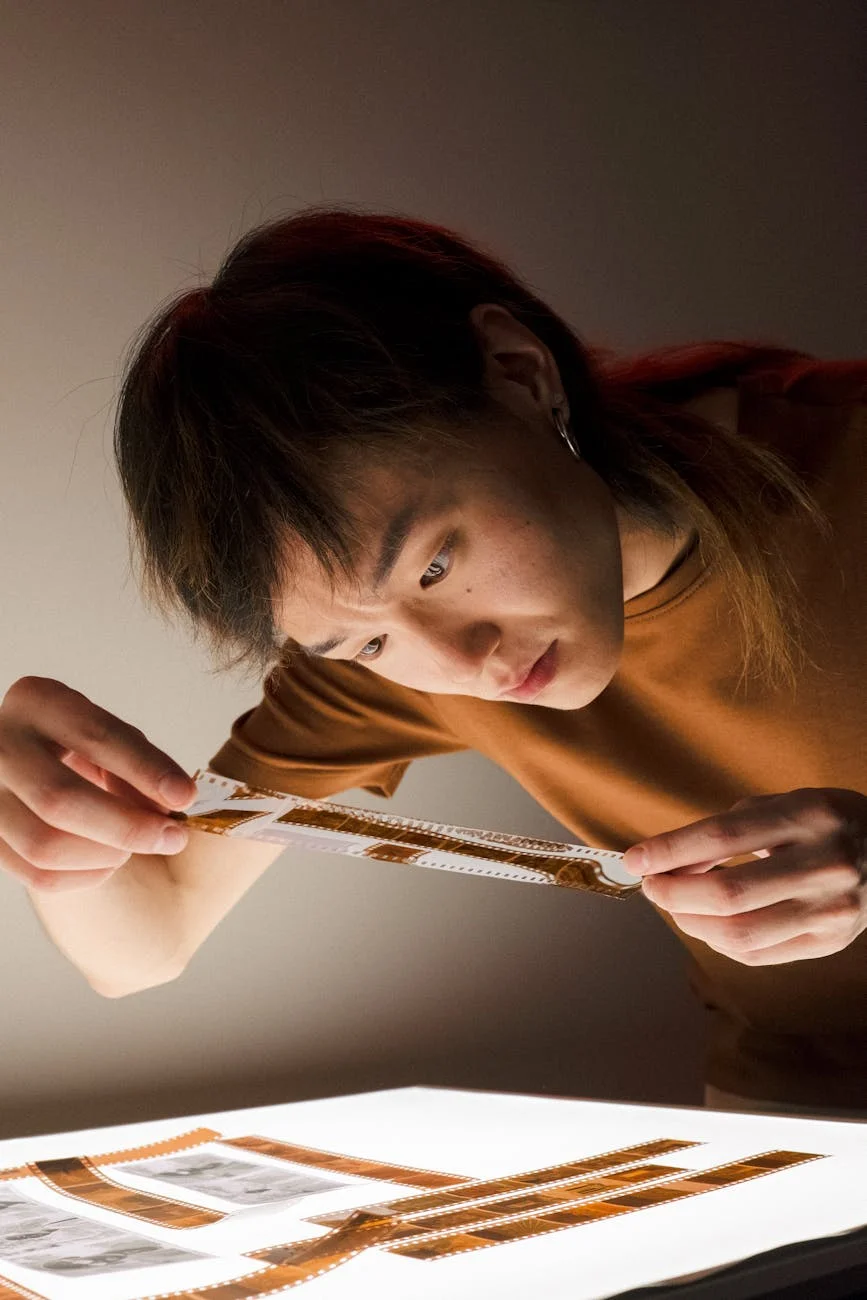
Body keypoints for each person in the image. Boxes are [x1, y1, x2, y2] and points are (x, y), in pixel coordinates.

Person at [1, 209, 864, 1118]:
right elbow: (147, 941)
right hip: (799, 1113)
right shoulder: (385, 679)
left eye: (434, 566)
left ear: (522, 377)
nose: (459, 660)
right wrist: (58, 832)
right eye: (366, 641)